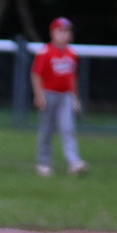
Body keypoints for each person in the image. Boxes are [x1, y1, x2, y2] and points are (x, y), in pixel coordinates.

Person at [31, 16, 87, 177]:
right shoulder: (45, 52)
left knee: (68, 128)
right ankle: (43, 163)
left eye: (67, 31)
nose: (64, 34)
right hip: (48, 94)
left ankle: (73, 162)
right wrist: (38, 95)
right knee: (47, 130)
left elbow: (72, 77)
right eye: (61, 31)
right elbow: (36, 74)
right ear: (53, 33)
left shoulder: (72, 54)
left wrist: (75, 97)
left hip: (65, 96)